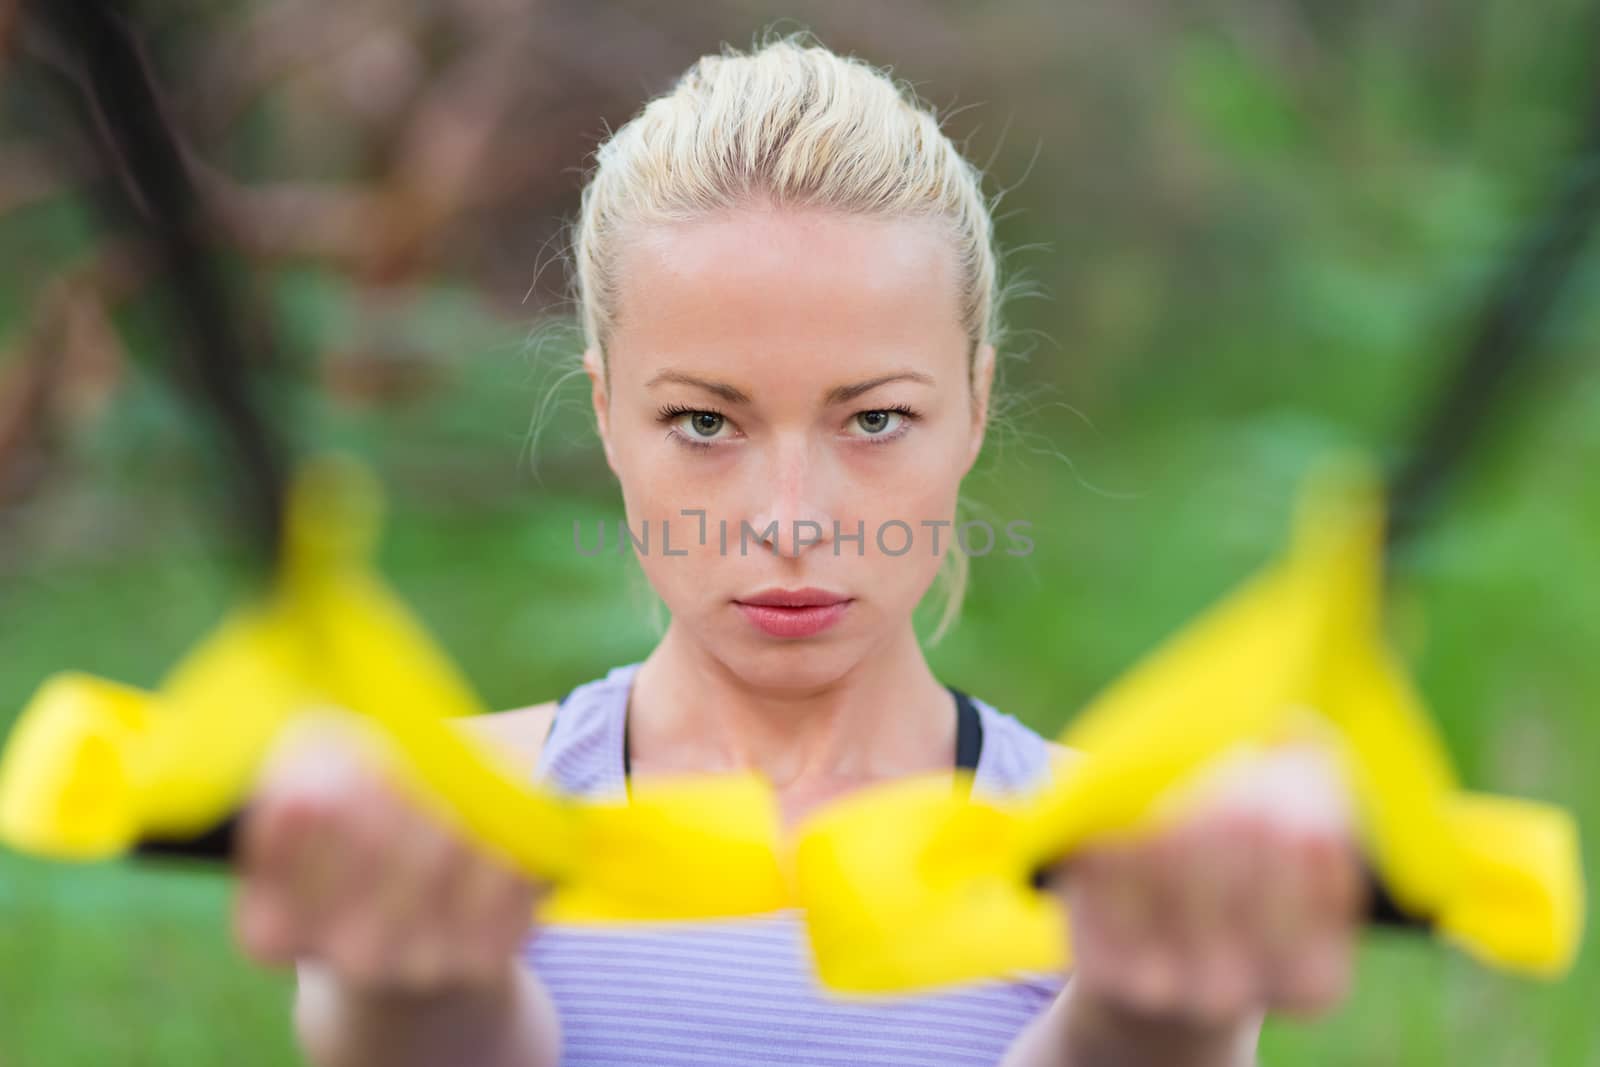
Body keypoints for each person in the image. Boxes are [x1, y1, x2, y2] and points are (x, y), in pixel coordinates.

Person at [232, 34, 1365, 1067]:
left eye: (872, 419)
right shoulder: (434, 814)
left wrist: (1152, 1013)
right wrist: (415, 988)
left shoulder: (1129, 859)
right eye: (704, 422)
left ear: (972, 407)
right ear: (606, 412)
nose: (790, 518)